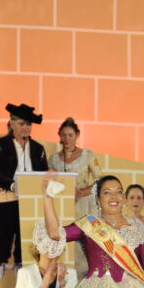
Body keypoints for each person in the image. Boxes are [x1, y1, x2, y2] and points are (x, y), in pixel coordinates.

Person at [0, 103, 48, 288]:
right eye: (22, 124)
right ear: (11, 124)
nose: (26, 128)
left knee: (26, 250)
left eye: (28, 124)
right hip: (6, 202)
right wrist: (13, 185)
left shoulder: (38, 149)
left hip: (30, 205)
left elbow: (43, 174)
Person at [48, 117, 102, 278]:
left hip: (84, 205)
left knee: (82, 242)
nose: (66, 139)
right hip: (62, 206)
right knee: (61, 239)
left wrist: (82, 191)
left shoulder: (87, 155)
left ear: (77, 135)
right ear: (59, 135)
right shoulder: (54, 159)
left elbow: (100, 180)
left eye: (70, 135)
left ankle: (84, 278)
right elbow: (50, 181)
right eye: (63, 135)